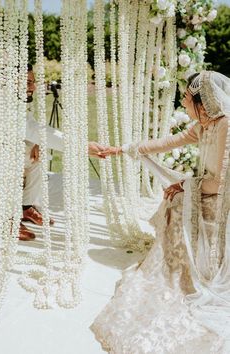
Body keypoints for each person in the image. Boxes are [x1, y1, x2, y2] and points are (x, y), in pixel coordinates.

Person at [91, 71, 230, 353]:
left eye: (186, 98)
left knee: (177, 201)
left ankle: (190, 270)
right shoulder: (204, 125)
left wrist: (184, 185)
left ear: (203, 103)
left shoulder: (226, 126)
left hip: (223, 199)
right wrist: (120, 150)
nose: (182, 102)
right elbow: (166, 142)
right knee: (174, 201)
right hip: (206, 189)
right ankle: (174, 267)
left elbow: (222, 183)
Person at [0, 62, 107, 241]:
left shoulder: (16, 95)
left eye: (32, 81)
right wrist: (81, 146)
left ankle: (25, 207)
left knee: (38, 155)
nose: (32, 87)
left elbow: (27, 125)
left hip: (7, 143)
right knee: (10, 160)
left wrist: (39, 143)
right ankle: (5, 218)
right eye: (26, 82)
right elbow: (27, 127)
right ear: (10, 82)